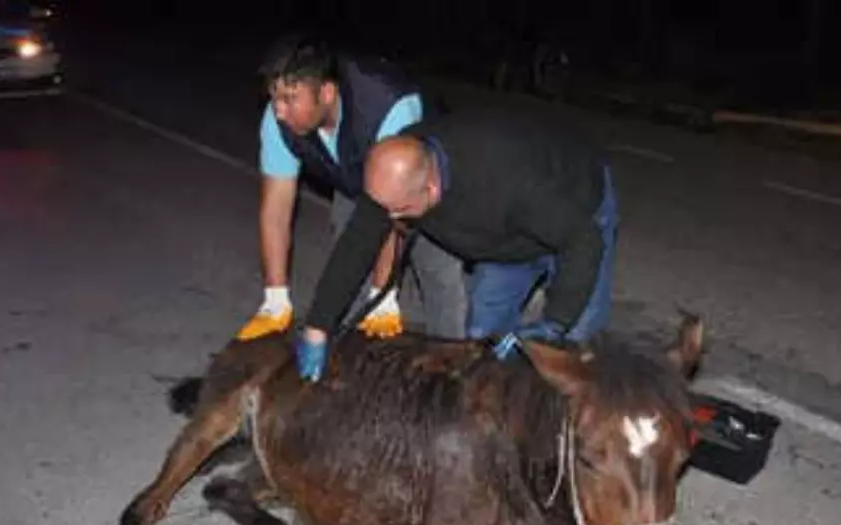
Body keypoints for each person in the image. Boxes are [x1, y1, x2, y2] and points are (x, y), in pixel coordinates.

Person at [294, 106, 618, 381]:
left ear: (431, 190)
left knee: (572, 351)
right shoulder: (397, 172)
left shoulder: (505, 180)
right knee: (483, 345)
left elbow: (582, 240)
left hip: (577, 210)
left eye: (398, 211)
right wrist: (318, 326)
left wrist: (556, 324)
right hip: (505, 239)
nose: (388, 218)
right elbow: (357, 243)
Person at [237, 33, 466, 341]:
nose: (279, 110)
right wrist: (275, 299)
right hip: (356, 174)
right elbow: (275, 211)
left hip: (424, 183)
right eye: (273, 97)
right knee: (347, 270)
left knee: (439, 273)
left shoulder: (389, 106)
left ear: (327, 93)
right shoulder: (278, 120)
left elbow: (389, 210)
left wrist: (382, 295)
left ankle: (449, 364)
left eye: (290, 98)